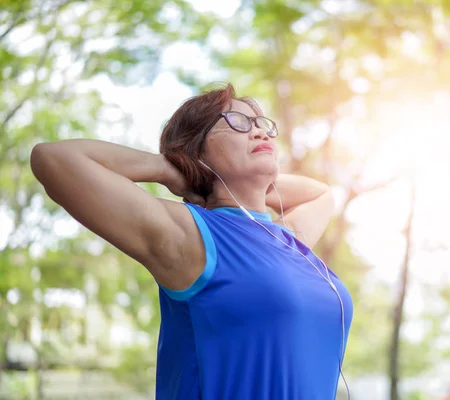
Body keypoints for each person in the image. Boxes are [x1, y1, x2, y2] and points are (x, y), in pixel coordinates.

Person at [30, 83, 353, 399]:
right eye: (237, 123)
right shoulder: (190, 235)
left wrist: (254, 183)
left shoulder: (286, 238)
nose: (259, 132)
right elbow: (54, 158)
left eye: (261, 125)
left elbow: (322, 194)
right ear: (196, 148)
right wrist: (175, 169)